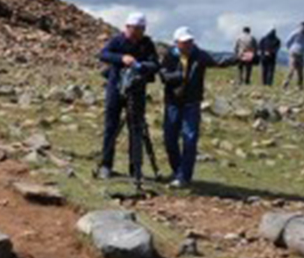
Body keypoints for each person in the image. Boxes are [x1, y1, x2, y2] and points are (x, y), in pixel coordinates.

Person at [159, 26, 238, 187]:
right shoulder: (169, 56)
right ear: (177, 43)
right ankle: (177, 171)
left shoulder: (199, 55)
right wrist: (179, 77)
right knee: (170, 139)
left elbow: (218, 60)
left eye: (190, 41)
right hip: (173, 102)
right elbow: (163, 76)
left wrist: (239, 58)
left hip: (191, 103)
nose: (188, 45)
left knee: (190, 139)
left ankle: (184, 177)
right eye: (184, 42)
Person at [97, 12, 159, 181]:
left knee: (136, 129)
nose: (136, 33)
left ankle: (136, 168)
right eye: (133, 30)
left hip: (137, 91)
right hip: (115, 89)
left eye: (140, 30)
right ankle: (106, 165)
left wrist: (141, 66)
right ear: (127, 27)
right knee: (111, 127)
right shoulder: (117, 40)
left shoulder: (147, 44)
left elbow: (155, 65)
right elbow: (103, 54)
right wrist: (121, 58)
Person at [283, 21, 304, 90]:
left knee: (300, 70)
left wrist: (303, 49)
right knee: (292, 69)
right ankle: (286, 83)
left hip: (301, 54)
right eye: (302, 26)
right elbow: (288, 42)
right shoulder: (295, 33)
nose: (303, 28)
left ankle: (299, 86)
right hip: (294, 53)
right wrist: (290, 49)